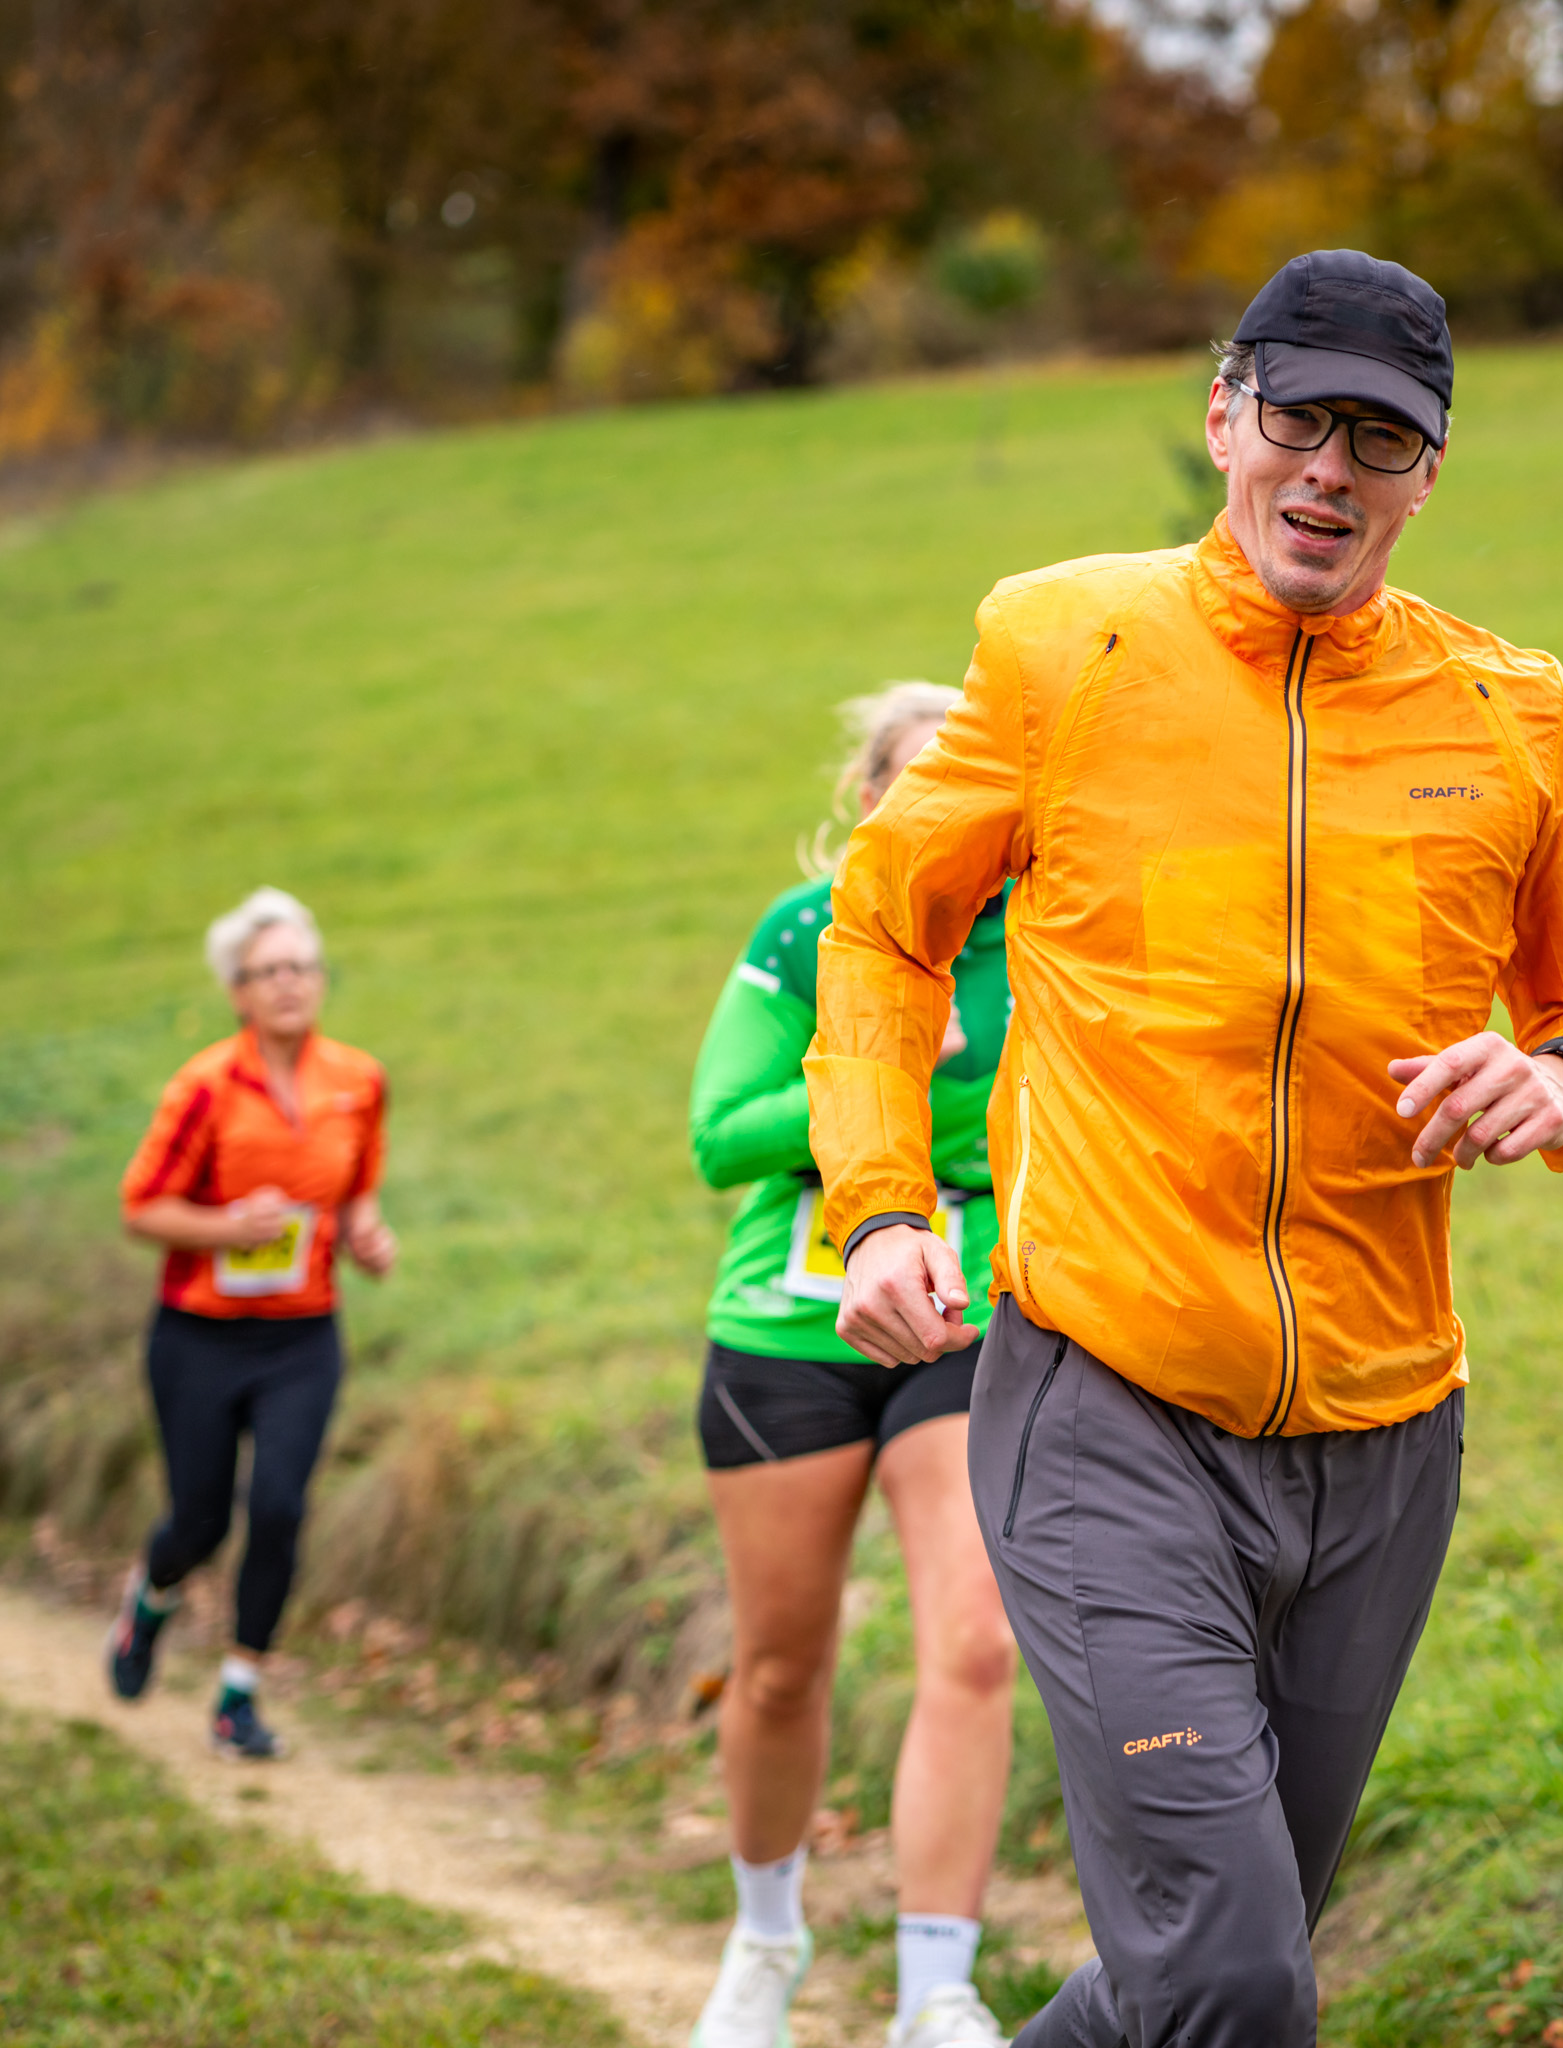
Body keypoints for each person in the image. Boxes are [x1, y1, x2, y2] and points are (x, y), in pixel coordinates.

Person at [807, 249, 1563, 2047]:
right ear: (1222, 418)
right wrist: (880, 1203)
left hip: (1383, 1437)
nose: (1329, 471)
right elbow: (881, 929)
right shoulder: (1065, 646)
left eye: (1380, 438)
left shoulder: (1510, 713)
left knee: (1191, 1972)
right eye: (1298, 420)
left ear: (1429, 473)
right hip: (1109, 1399)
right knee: (1231, 1971)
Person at [687, 683, 1016, 2048]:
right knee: (779, 1665)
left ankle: (935, 1989)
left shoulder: (1047, 936)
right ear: (870, 799)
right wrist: (877, 1067)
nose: (942, 809)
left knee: (978, 1644)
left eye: (970, 785)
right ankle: (764, 1940)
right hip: (792, 1323)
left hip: (971, 1316)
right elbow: (721, 1133)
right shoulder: (803, 930)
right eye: (913, 781)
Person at [109, 887, 396, 1760]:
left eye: (302, 967)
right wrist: (225, 1228)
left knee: (277, 1508)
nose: (288, 984)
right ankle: (150, 1601)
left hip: (302, 1337)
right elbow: (140, 1207)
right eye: (268, 971)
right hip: (198, 1335)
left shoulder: (357, 1081)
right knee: (199, 1521)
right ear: (237, 990)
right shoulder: (204, 1087)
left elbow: (357, 1190)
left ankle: (239, 1694)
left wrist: (367, 1235)